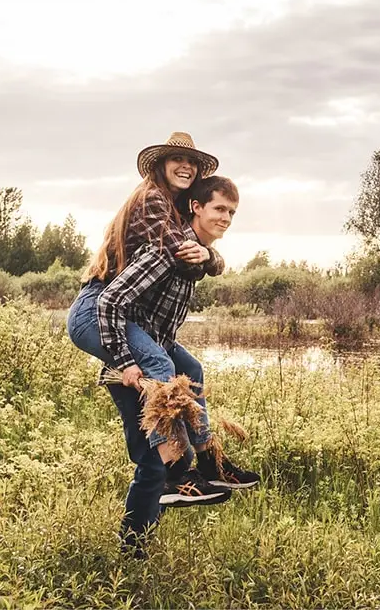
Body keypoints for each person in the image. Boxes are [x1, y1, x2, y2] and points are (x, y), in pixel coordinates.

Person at [66, 134, 258, 557]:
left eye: (231, 212)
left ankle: (195, 477)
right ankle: (181, 473)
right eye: (219, 209)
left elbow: (192, 276)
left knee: (187, 372)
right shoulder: (159, 222)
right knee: (161, 411)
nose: (226, 218)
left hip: (130, 335)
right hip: (101, 317)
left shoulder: (182, 238)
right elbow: (115, 298)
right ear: (195, 207)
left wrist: (207, 258)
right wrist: (125, 360)